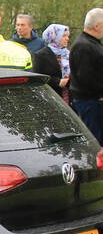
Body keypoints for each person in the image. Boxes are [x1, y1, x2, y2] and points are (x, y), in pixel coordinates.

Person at [68, 8, 103, 142]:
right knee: (95, 141)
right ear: (97, 26)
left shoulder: (91, 43)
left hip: (93, 101)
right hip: (89, 102)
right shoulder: (84, 46)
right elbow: (85, 77)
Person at [32, 23, 71, 102]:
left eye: (67, 36)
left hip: (70, 99)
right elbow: (37, 79)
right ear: (54, 37)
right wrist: (57, 82)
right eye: (64, 36)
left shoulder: (68, 54)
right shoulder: (41, 55)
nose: (67, 39)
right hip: (51, 99)